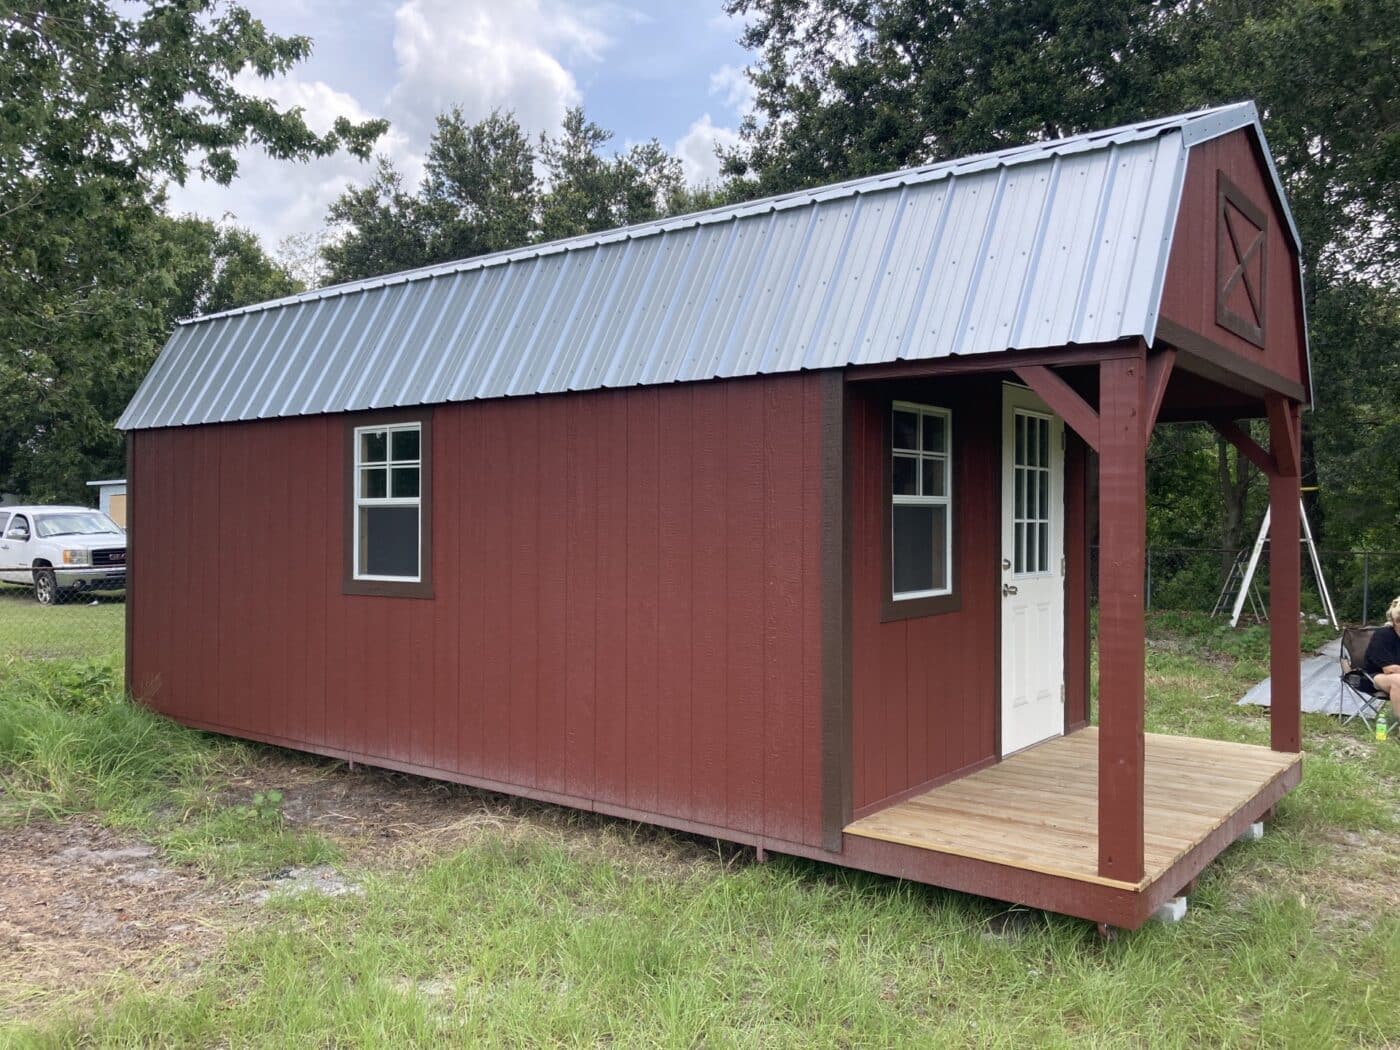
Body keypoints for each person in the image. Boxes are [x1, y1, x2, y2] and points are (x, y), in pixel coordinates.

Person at [1363, 596, 1400, 702]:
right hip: (1374, 676)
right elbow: (1390, 669)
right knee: (1398, 681)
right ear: (1396, 621)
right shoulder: (1383, 635)